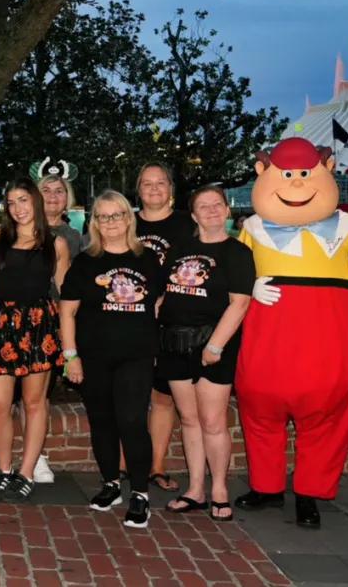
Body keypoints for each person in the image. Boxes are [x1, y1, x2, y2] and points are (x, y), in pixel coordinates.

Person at [236, 138, 348, 528]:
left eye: (305, 173)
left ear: (326, 168)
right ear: (263, 173)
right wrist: (247, 286)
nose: (297, 184)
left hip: (329, 339)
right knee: (260, 410)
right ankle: (266, 487)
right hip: (271, 336)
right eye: (287, 174)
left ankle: (308, 494)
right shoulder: (252, 228)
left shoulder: (344, 227)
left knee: (324, 416)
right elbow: (233, 268)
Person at [60, 190, 163, 529]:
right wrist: (71, 356)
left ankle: (140, 494)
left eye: (116, 215)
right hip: (94, 356)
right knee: (102, 420)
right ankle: (110, 484)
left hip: (136, 356)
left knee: (132, 420)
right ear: (95, 223)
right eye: (103, 217)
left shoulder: (147, 258)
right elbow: (67, 312)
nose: (110, 222)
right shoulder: (85, 262)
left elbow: (159, 302)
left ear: (128, 218)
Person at [0, 170, 81, 484]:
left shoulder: (56, 243)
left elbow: (67, 295)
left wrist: (74, 339)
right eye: (10, 202)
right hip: (0, 326)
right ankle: (4, 469)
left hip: (38, 326)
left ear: (34, 201)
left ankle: (26, 472)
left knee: (34, 403)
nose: (18, 208)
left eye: (23, 200)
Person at [158, 185, 254, 523]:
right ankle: (195, 489)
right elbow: (162, 291)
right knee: (188, 419)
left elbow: (240, 303)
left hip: (212, 346)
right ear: (194, 214)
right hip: (173, 344)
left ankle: (219, 490)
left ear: (227, 211)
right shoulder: (178, 249)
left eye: (217, 205)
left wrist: (215, 346)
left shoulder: (238, 253)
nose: (212, 210)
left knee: (213, 422)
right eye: (204, 206)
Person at [133, 162, 194, 493]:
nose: (154, 189)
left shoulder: (187, 224)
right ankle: (126, 463)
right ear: (138, 189)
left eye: (160, 183)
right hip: (128, 319)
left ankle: (155, 465)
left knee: (162, 396)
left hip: (173, 320)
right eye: (147, 183)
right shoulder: (126, 222)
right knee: (128, 392)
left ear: (171, 188)